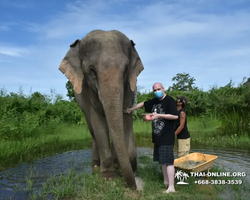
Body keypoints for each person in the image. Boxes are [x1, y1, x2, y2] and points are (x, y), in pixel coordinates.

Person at [126, 82, 178, 193]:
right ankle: (166, 182)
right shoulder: (154, 101)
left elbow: (175, 116)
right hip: (158, 137)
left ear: (163, 89)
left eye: (159, 89)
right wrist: (132, 109)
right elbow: (143, 104)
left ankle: (172, 187)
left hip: (166, 136)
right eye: (155, 90)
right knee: (162, 161)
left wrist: (159, 115)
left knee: (169, 161)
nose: (157, 91)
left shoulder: (170, 100)